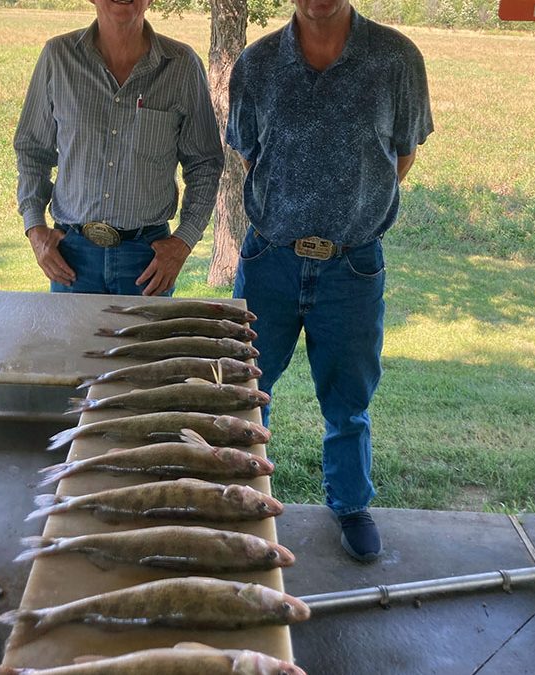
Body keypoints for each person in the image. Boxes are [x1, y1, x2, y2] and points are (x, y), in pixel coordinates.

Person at [227, 0, 433, 562]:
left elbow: (403, 153)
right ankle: (242, 497)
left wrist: (352, 213)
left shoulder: (396, 59)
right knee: (246, 387)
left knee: (349, 397)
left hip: (352, 264)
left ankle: (350, 503)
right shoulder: (257, 63)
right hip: (270, 257)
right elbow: (252, 156)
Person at [14, 0, 224, 297]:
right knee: (73, 346)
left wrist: (183, 241)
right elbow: (32, 150)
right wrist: (35, 227)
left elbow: (205, 163)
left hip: (147, 260)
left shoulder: (181, 65)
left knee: (144, 346)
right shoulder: (57, 57)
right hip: (72, 256)